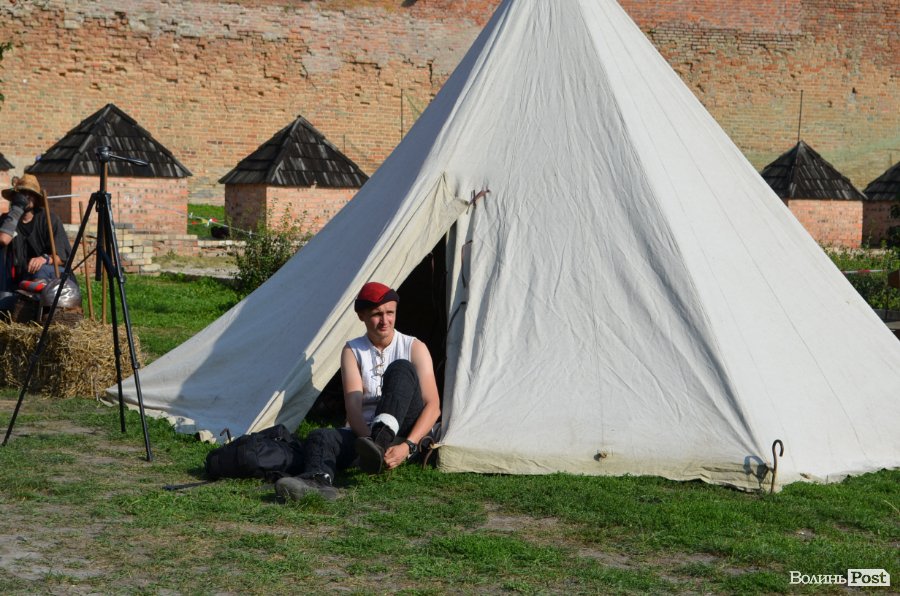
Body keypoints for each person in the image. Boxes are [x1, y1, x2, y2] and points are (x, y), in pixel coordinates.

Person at [275, 281, 441, 501]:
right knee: (320, 435)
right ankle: (317, 482)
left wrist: (407, 446)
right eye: (377, 314)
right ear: (361, 316)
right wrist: (368, 444)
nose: (385, 320)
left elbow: (433, 406)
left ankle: (380, 443)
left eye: (390, 313)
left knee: (401, 368)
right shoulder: (352, 350)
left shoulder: (414, 347)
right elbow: (353, 408)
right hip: (366, 434)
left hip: (405, 431)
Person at [0, 174, 71, 297]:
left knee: (41, 271)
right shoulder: (8, 220)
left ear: (36, 199)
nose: (26, 197)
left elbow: (62, 258)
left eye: (30, 194)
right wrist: (17, 209)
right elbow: (3, 240)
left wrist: (44, 259)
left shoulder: (49, 219)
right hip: (20, 277)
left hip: (48, 275)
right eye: (22, 193)